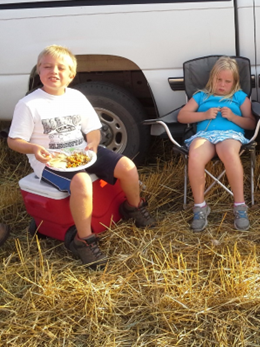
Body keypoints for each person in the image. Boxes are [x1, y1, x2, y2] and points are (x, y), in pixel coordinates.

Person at [8, 45, 156, 269]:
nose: (54, 72)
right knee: (82, 181)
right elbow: (14, 141)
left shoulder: (76, 97)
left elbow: (93, 129)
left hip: (81, 153)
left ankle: (133, 207)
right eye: (47, 66)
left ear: (71, 75)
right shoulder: (29, 104)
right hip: (51, 162)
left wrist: (94, 143)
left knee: (127, 166)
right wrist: (34, 150)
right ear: (39, 71)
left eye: (61, 68)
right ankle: (84, 240)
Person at [177, 57, 256, 232]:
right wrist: (203, 115)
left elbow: (251, 123)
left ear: (234, 82)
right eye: (218, 80)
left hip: (230, 135)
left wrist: (234, 118)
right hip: (205, 134)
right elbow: (182, 116)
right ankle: (200, 206)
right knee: (195, 155)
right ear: (212, 78)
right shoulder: (201, 96)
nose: (222, 84)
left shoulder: (239, 97)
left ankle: (240, 206)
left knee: (228, 153)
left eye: (227, 81)